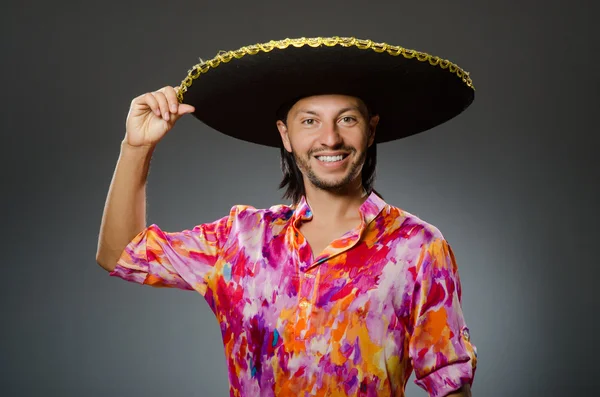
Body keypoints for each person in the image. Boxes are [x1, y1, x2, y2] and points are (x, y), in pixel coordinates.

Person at [96, 37, 478, 397]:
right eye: (310, 121)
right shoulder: (242, 241)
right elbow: (120, 254)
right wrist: (137, 146)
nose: (330, 139)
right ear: (285, 135)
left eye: (347, 119)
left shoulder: (417, 249)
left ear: (371, 129)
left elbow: (450, 386)